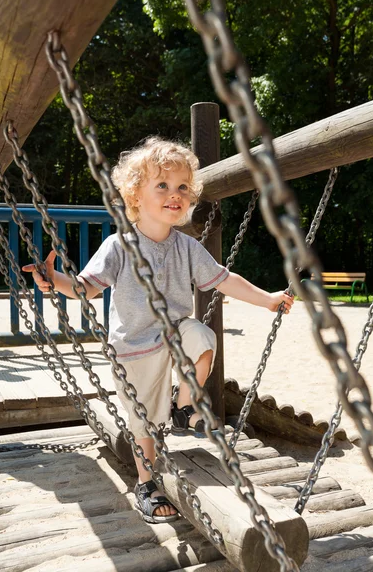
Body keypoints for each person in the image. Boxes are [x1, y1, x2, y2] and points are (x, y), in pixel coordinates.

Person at [22, 136, 294, 524]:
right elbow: (87, 287)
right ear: (135, 195)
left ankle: (184, 407)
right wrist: (54, 281)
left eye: (183, 187)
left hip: (173, 332)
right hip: (133, 346)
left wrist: (267, 298)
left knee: (201, 338)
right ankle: (146, 483)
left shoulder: (187, 247)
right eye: (162, 185)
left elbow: (224, 279)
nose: (175, 194)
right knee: (145, 420)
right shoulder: (120, 246)